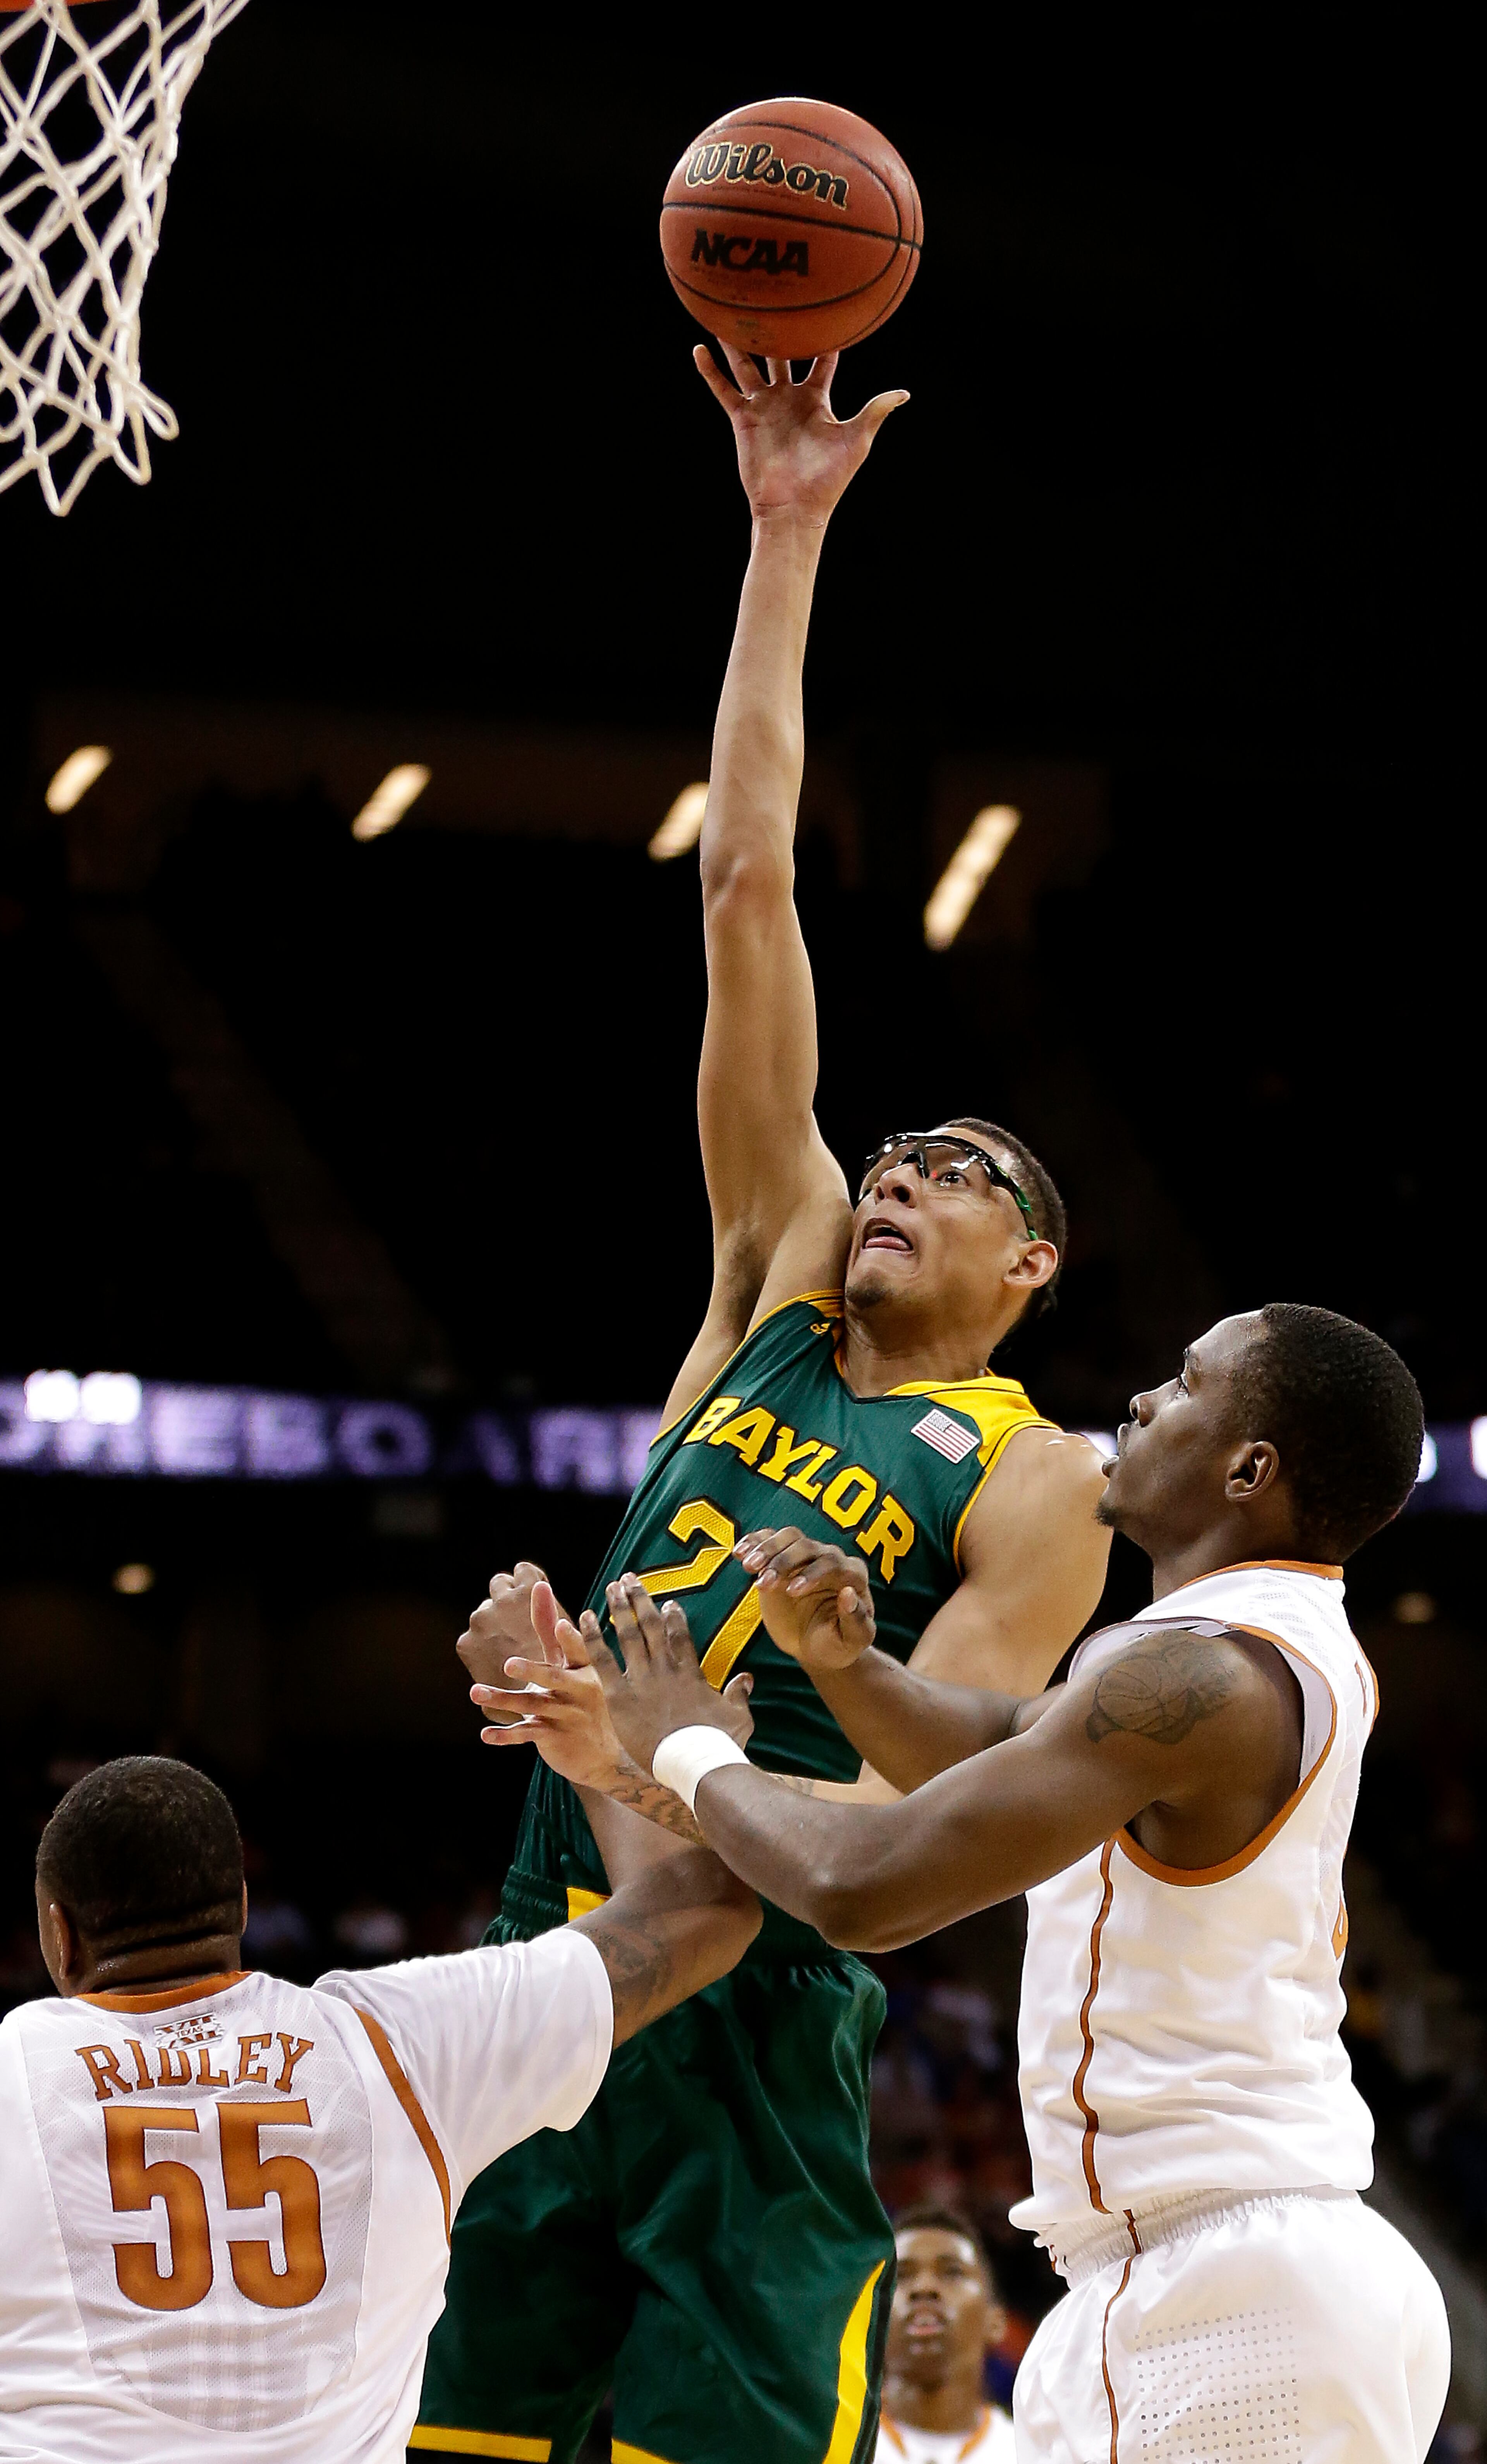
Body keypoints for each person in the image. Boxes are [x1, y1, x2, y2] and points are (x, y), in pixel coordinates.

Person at [417, 345, 1110, 2464]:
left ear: (1034, 1265)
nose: (896, 1173)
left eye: (958, 1171)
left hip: (749, 1996)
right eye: (890, 1152)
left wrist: (665, 1748)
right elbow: (745, 884)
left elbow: (920, 1824)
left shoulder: (1035, 1475)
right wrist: (783, 533)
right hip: (545, 1959)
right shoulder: (773, 1286)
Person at [495, 1303, 1451, 2460]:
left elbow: (864, 1890)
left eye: (1186, 1384)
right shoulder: (1233, 1648)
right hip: (1229, 2273)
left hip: (1222, 2290)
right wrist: (842, 1663)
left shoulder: (1207, 1680)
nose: (1143, 1399)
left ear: (1247, 1471)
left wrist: (681, 1744)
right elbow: (996, 1735)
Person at [0, 1754, 757, 2463]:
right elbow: (706, 1905)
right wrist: (596, 1750)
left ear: (60, 1935)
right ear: (242, 1907)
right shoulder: (397, 2035)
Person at [875, 2207, 1015, 2463]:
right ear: (872, 2321)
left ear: (995, 2322)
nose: (924, 2288)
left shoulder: (1031, 2452)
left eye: (952, 2272)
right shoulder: (833, 2443)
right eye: (901, 2275)